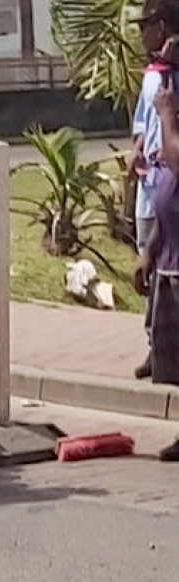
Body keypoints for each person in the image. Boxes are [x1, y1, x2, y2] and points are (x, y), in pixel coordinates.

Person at [131, 0, 177, 379]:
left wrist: (166, 115)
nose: (143, 34)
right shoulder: (157, 77)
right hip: (163, 223)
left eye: (147, 25)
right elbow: (143, 122)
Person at [138, 31, 179, 460]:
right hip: (170, 256)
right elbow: (167, 189)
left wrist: (166, 115)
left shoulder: (173, 123)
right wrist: (149, 251)